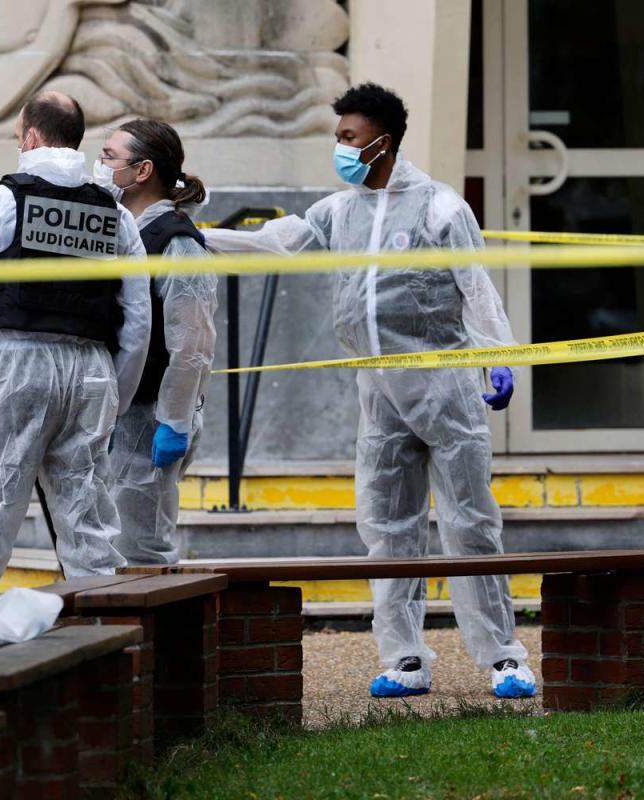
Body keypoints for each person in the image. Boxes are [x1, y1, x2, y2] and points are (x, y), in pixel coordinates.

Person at [204, 83, 535, 700]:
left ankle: (504, 659)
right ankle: (405, 657)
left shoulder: (440, 207)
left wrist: (500, 354)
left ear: (383, 141)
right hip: (377, 391)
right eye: (338, 138)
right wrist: (196, 236)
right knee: (387, 525)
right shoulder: (339, 210)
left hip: (444, 385)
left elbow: (474, 284)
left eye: (349, 138)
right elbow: (277, 240)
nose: (341, 149)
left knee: (470, 523)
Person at [0, 90, 151, 614]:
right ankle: (113, 653)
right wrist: (113, 397)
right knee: (89, 528)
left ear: (30, 137)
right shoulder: (114, 213)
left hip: (17, 365)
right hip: (93, 371)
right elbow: (136, 322)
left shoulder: (2, 200)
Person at [91, 119, 217, 565]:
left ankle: (155, 637)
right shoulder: (125, 230)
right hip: (118, 415)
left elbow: (192, 344)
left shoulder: (177, 244)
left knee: (142, 549)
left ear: (142, 171)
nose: (100, 166)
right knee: (110, 548)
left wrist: (175, 420)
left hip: (150, 418)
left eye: (109, 156)